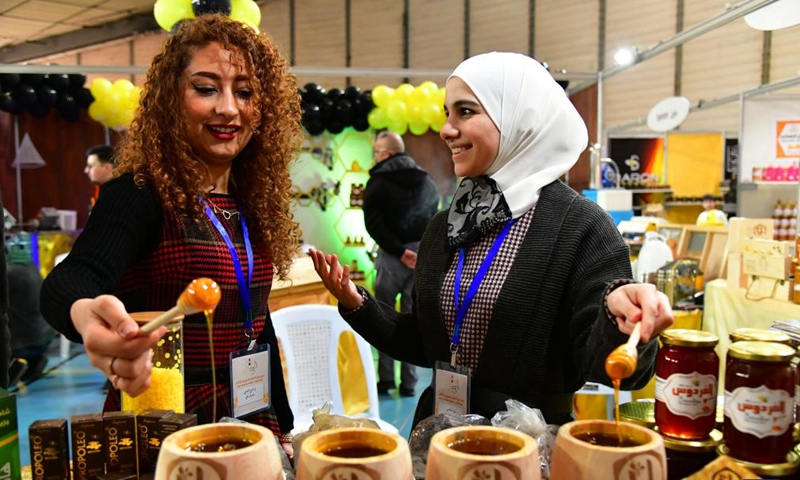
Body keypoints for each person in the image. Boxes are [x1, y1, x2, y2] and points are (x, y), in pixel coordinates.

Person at [310, 52, 674, 428]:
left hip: (530, 450)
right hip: (438, 439)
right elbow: (424, 342)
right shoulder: (445, 227)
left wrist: (623, 322)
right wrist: (358, 304)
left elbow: (619, 370)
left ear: (520, 119)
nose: (446, 130)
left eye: (465, 112)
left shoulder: (581, 228)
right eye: (447, 113)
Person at [41, 15, 301, 455]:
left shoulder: (250, 202)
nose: (229, 108)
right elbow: (73, 279)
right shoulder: (139, 195)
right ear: (170, 99)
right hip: (161, 426)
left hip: (252, 421)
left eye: (245, 92)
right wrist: (85, 314)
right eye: (206, 88)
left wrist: (283, 424)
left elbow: (256, 324)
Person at [365, 131, 439, 397]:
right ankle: (410, 383)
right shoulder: (426, 179)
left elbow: (373, 225)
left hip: (391, 256)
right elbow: (435, 216)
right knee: (413, 320)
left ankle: (385, 381)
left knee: (382, 315)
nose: (374, 157)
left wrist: (398, 251)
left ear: (385, 154)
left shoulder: (377, 182)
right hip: (420, 257)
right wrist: (419, 251)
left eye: (376, 152)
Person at [84, 144, 116, 210]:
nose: (86, 170)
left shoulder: (120, 195)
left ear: (107, 167)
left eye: (90, 166)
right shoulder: (98, 190)